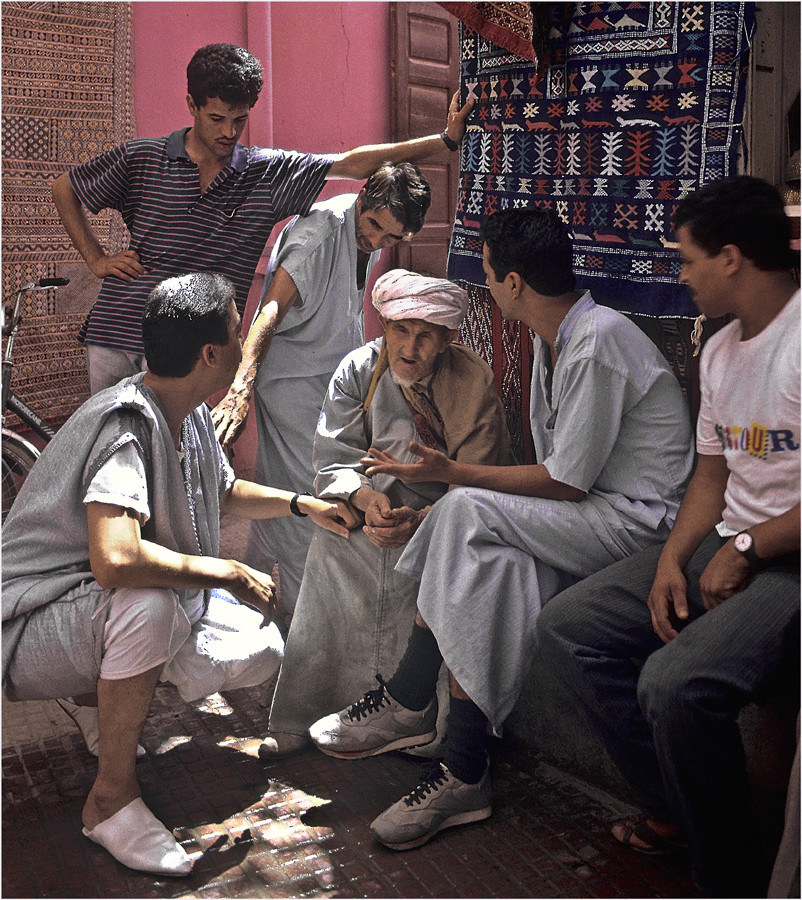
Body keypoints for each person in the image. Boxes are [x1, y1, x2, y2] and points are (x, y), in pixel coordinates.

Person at [308, 206, 695, 851]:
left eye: (489, 275)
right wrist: (431, 512)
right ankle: (465, 772)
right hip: (587, 516)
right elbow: (556, 480)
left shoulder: (597, 341)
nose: (488, 287)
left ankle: (407, 698)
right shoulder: (559, 340)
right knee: (492, 566)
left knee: (463, 506)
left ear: (513, 283)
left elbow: (565, 481)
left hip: (634, 526)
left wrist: (450, 475)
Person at [1, 272, 350, 877]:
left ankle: (93, 699)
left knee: (257, 646)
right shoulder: (126, 423)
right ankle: (110, 800)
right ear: (211, 354)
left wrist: (304, 503)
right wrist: (226, 572)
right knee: (150, 607)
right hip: (20, 627)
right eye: (239, 329)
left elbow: (225, 490)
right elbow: (115, 559)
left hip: (76, 610)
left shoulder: (182, 409)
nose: (245, 343)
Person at [536, 176, 800, 898]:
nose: (679, 276)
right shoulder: (719, 351)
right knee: (570, 627)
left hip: (791, 564)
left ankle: (730, 877)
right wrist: (672, 563)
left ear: (732, 258)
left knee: (675, 684)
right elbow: (711, 477)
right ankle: (676, 808)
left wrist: (746, 552)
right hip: (731, 539)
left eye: (686, 260)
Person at [51, 42, 473, 394]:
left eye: (240, 119)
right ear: (191, 106)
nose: (229, 132)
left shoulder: (264, 173)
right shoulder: (141, 157)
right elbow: (64, 188)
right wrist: (97, 259)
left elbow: (353, 164)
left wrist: (445, 141)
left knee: (179, 470)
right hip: (117, 328)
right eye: (216, 118)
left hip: (196, 348)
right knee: (111, 461)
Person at [258, 268, 510, 758]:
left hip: (444, 516)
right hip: (369, 510)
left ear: (445, 340)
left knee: (438, 564)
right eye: (400, 330)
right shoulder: (357, 369)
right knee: (330, 545)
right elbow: (334, 456)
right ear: (385, 327)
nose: (410, 347)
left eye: (425, 336)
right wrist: (366, 499)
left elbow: (480, 477)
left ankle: (419, 722)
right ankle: (302, 712)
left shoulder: (471, 378)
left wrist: (422, 519)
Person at [212, 163, 432, 617]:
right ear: (364, 195)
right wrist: (240, 387)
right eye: (373, 226)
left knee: (285, 480)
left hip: (325, 379)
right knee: (316, 490)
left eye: (390, 238)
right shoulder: (320, 234)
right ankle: (297, 618)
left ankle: (238, 599)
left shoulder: (364, 233)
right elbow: (270, 308)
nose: (375, 241)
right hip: (293, 385)